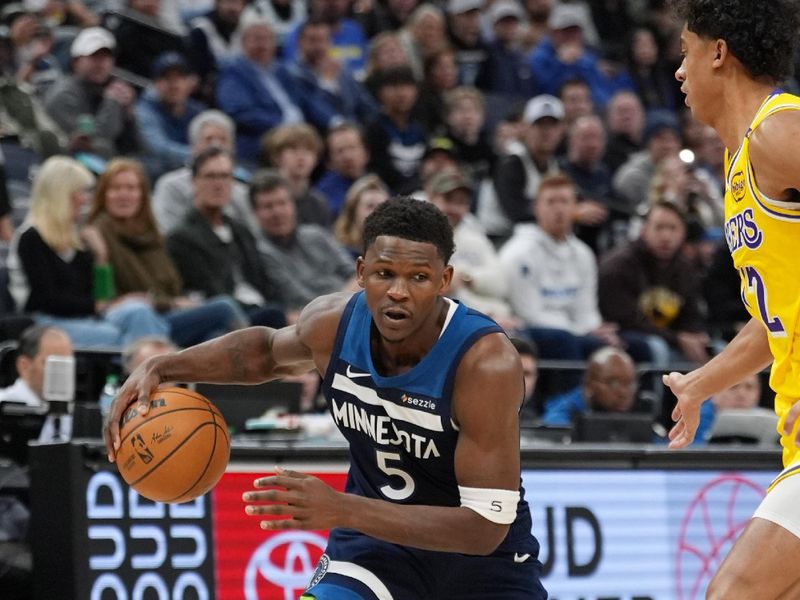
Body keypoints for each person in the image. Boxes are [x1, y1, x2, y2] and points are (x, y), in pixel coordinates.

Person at [104, 197, 548, 599]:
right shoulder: (332, 324)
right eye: (384, 274)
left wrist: (341, 508)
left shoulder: (484, 363)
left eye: (418, 277)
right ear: (360, 273)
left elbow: (485, 528)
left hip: (484, 568)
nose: (398, 291)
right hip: (376, 553)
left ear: (444, 280)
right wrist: (162, 366)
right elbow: (262, 354)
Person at [662, 1, 800, 598]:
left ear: (719, 52)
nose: (679, 71)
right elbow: (776, 317)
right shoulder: (738, 158)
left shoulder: (779, 132)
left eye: (687, 50)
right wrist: (702, 382)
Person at [7, 156, 170, 348]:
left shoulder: (77, 238)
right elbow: (45, 299)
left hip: (86, 318)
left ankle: (154, 368)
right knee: (119, 336)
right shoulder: (31, 238)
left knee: (139, 311)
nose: (85, 199)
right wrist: (99, 306)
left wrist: (101, 257)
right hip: (46, 322)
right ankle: (149, 370)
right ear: (61, 195)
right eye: (79, 192)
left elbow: (99, 295)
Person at [87, 158, 247, 347]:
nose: (124, 195)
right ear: (103, 195)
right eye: (115, 189)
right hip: (141, 320)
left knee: (215, 337)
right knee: (224, 307)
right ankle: (262, 368)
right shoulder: (97, 234)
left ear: (142, 195)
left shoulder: (151, 235)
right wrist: (171, 304)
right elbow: (108, 300)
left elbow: (171, 286)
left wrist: (176, 303)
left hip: (169, 314)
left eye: (131, 188)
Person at [540, 346, 638, 427]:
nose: (623, 393)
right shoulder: (562, 416)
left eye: (630, 384)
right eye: (613, 383)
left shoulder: (639, 414)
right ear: (589, 384)